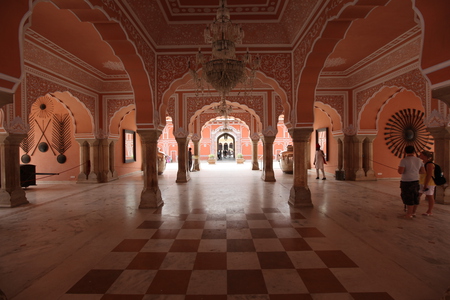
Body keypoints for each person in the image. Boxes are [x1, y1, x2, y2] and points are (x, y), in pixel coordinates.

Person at [398, 145, 425, 219]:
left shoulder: (404, 160)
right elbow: (423, 171)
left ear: (405, 151)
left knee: (408, 196)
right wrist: (414, 172)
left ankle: (409, 214)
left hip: (406, 181)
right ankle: (413, 212)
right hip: (416, 180)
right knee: (415, 196)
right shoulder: (419, 160)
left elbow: (400, 171)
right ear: (414, 151)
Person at [419, 150, 435, 216]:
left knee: (430, 196)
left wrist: (426, 184)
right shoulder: (423, 163)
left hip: (429, 183)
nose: (420, 156)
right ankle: (413, 209)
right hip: (422, 182)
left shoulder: (430, 164)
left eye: (421, 155)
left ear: (425, 156)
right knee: (417, 195)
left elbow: (429, 175)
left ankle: (429, 211)